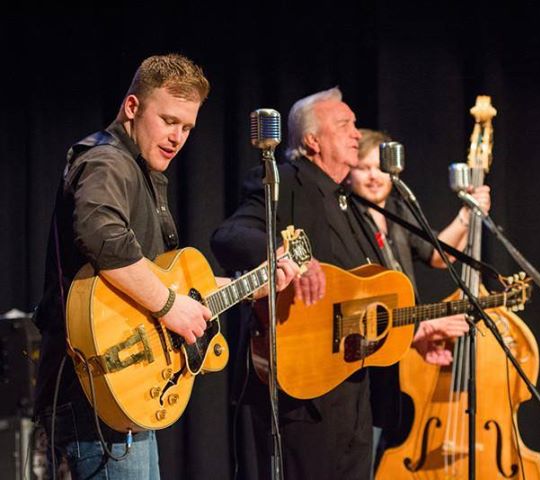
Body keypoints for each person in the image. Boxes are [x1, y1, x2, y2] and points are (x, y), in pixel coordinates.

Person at [33, 53, 299, 480]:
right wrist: (170, 306)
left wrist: (251, 284)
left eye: (188, 127)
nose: (177, 137)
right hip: (94, 398)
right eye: (169, 120)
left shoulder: (141, 170)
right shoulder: (107, 161)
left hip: (125, 397)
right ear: (133, 107)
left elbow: (165, 283)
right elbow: (102, 239)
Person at [212, 87, 390, 480]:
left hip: (352, 386)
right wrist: (291, 255)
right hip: (301, 388)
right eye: (345, 125)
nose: (357, 134)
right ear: (312, 140)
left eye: (356, 125)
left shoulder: (351, 202)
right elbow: (230, 235)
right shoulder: (282, 181)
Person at [348, 128, 490, 470]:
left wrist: (466, 216)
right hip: (368, 348)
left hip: (401, 345)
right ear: (348, 171)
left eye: (380, 167)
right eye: (363, 167)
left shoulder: (396, 210)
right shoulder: (349, 217)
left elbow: (438, 255)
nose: (373, 176)